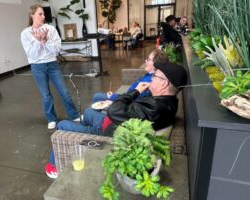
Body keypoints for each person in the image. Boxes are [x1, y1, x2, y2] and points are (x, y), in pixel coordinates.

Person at [45, 62, 187, 178]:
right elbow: (124, 111)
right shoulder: (167, 100)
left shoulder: (155, 108)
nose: (151, 78)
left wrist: (135, 91)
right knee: (88, 112)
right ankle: (78, 141)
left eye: (155, 76)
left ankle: (55, 165)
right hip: (111, 123)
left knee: (62, 125)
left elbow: (114, 111)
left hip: (105, 134)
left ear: (164, 84)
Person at [20, 4, 80, 131]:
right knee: (46, 95)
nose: (43, 16)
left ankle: (74, 115)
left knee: (64, 92)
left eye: (43, 14)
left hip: (52, 64)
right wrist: (39, 42)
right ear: (32, 16)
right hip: (37, 67)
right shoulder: (25, 33)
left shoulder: (50, 29)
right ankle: (51, 119)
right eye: (40, 14)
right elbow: (32, 55)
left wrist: (45, 41)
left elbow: (57, 49)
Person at [93, 49, 169, 102]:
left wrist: (112, 97)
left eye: (148, 59)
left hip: (126, 100)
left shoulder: (149, 82)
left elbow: (132, 99)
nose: (145, 61)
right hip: (126, 96)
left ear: (156, 64)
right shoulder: (151, 75)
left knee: (97, 96)